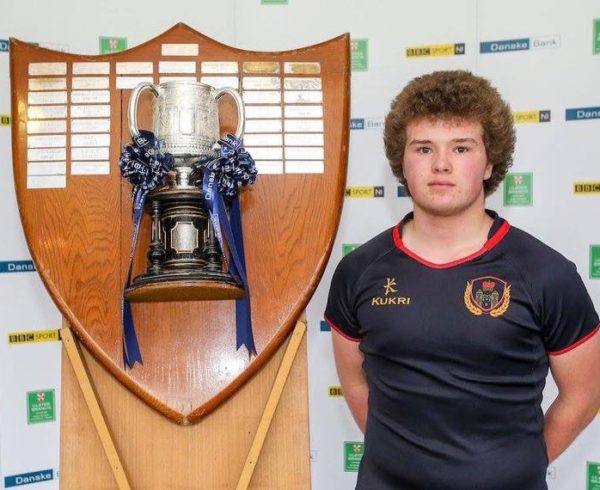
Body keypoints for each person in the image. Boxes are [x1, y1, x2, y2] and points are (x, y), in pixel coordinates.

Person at [324, 70, 600, 489]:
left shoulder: (545, 273)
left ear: (489, 163)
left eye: (461, 147)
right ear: (401, 161)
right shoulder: (359, 271)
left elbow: (585, 395)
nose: (441, 164)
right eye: (424, 148)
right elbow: (356, 385)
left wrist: (515, 466)